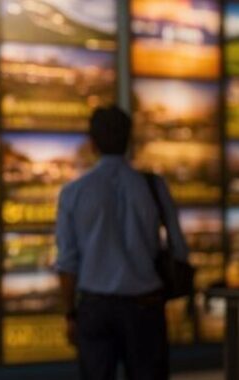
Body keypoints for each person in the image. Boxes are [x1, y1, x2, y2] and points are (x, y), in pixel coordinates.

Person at [55, 106, 189, 380]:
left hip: (95, 307)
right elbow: (179, 247)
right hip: (146, 306)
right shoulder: (154, 186)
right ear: (130, 140)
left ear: (91, 142)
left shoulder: (73, 193)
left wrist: (70, 313)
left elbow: (67, 262)